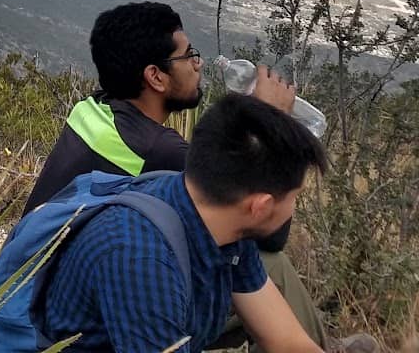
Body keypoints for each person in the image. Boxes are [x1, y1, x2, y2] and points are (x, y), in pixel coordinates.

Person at [23, 2, 348, 349]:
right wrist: (267, 117)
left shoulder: (95, 110)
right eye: (189, 55)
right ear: (155, 76)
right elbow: (267, 226)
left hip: (41, 280)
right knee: (275, 265)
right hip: (68, 312)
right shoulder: (158, 151)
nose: (199, 63)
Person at [33, 92, 329, 352]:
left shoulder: (224, 221)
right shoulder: (142, 262)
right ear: (260, 207)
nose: (293, 207)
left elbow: (287, 341)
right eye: (294, 197)